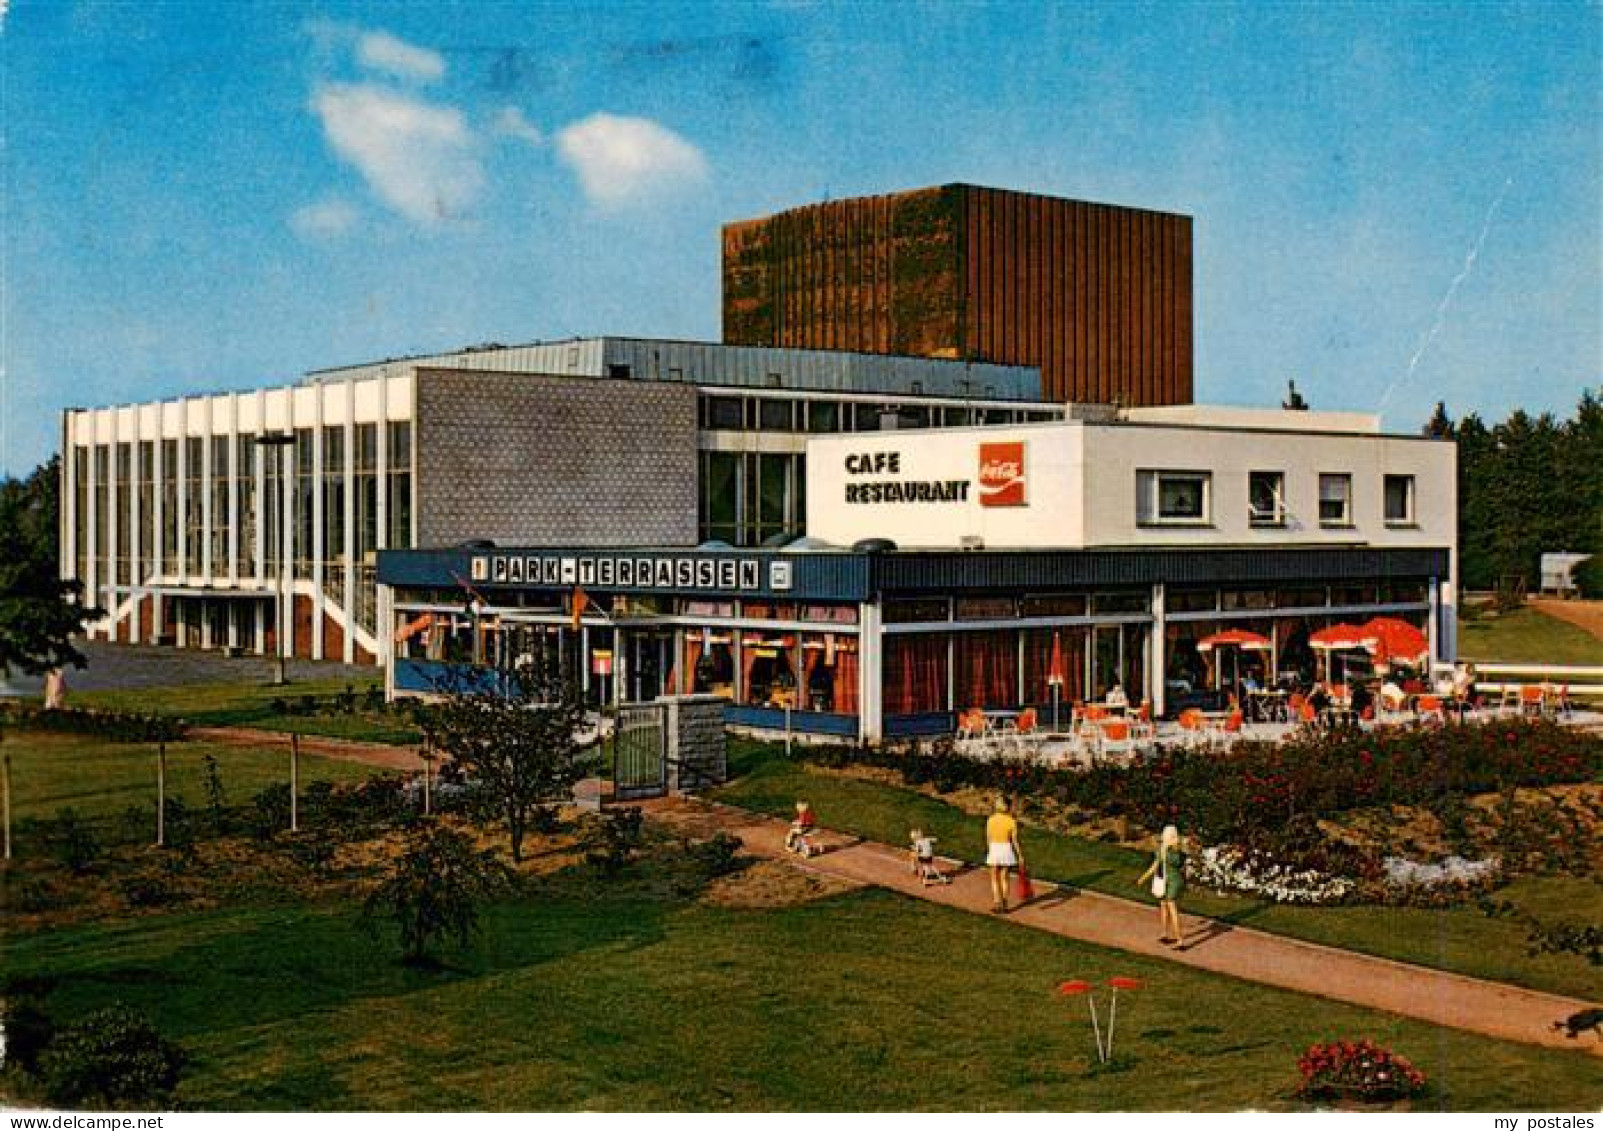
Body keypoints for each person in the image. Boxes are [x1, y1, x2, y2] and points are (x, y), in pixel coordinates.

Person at [1138, 825, 1188, 948]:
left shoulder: (1163, 850)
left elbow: (1155, 866)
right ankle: (1165, 934)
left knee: (1168, 907)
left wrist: (1142, 878)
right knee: (1165, 905)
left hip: (1168, 880)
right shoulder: (1179, 852)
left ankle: (1178, 939)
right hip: (1176, 880)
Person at [985, 796, 1024, 913]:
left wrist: (990, 850)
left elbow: (988, 838)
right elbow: (1014, 840)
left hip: (995, 848)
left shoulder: (991, 820)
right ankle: (1005, 903)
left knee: (994, 878)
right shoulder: (1011, 821)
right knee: (1004, 878)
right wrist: (1020, 855)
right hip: (1006, 849)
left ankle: (997, 903)